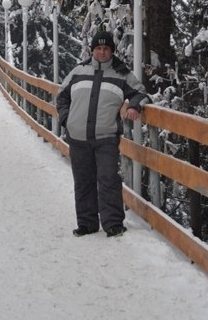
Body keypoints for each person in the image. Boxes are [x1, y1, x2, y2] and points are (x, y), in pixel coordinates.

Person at [56, 30, 148, 238]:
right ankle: (87, 224)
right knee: (83, 181)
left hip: (106, 138)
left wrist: (134, 105)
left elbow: (141, 92)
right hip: (78, 137)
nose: (102, 52)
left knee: (108, 179)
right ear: (92, 50)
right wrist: (66, 120)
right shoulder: (79, 70)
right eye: (98, 48)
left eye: (106, 49)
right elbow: (61, 96)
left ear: (112, 51)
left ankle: (113, 223)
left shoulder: (122, 74)